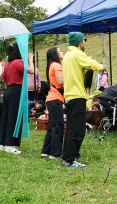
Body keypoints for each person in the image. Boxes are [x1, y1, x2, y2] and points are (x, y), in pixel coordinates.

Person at [62, 32, 105, 168]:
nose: (85, 43)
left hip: (69, 96)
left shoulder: (67, 56)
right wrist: (102, 67)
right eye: (84, 41)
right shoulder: (77, 54)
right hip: (77, 96)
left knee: (71, 128)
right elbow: (93, 64)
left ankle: (67, 157)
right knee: (78, 129)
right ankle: (70, 160)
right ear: (80, 42)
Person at [1, 44, 35, 154]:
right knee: (14, 118)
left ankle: (3, 143)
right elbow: (31, 71)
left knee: (6, 117)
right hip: (16, 91)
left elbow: (4, 78)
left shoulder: (7, 64)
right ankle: (10, 145)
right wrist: (30, 60)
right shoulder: (18, 62)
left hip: (8, 91)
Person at [41, 47, 65, 160]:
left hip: (51, 99)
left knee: (52, 126)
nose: (62, 52)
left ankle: (46, 151)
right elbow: (61, 81)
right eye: (59, 51)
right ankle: (55, 153)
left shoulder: (51, 65)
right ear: (55, 54)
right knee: (57, 126)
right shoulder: (57, 65)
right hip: (56, 98)